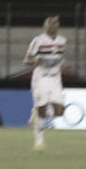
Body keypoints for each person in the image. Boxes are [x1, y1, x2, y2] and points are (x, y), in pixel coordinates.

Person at [24, 16, 67, 151]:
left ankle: (36, 110)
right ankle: (39, 141)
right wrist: (35, 62)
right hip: (41, 77)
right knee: (42, 112)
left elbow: (60, 57)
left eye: (56, 23)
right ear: (46, 26)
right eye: (52, 23)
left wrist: (63, 63)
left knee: (59, 112)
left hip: (55, 78)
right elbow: (27, 60)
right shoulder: (38, 41)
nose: (55, 25)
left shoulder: (62, 41)